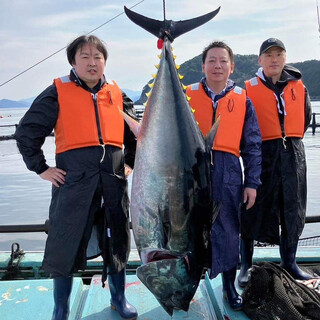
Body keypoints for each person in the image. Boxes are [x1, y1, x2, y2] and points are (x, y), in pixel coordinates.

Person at [15, 35, 138, 320]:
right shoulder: (57, 92)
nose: (92, 62)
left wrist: (130, 162)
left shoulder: (118, 93)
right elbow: (26, 132)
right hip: (73, 183)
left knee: (117, 239)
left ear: (105, 61)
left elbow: (135, 132)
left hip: (113, 181)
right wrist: (42, 168)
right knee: (64, 242)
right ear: (73, 61)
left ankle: (119, 298)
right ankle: (61, 308)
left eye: (97, 57)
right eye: (85, 56)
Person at [186, 41, 262, 310]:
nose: (217, 66)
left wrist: (252, 182)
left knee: (229, 230)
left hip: (228, 171)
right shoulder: (185, 95)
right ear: (203, 64)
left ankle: (229, 286)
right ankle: (188, 281)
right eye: (212, 61)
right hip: (191, 174)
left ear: (232, 66)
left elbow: (252, 145)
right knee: (189, 229)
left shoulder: (243, 99)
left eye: (223, 61)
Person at [238, 38, 312, 287]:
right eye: (269, 55)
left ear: (285, 58)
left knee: (293, 210)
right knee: (251, 209)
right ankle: (245, 266)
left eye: (279, 54)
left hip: (293, 154)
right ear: (260, 60)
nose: (274, 59)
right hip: (262, 153)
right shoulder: (247, 89)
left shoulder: (299, 87)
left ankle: (289, 262)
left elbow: (305, 118)